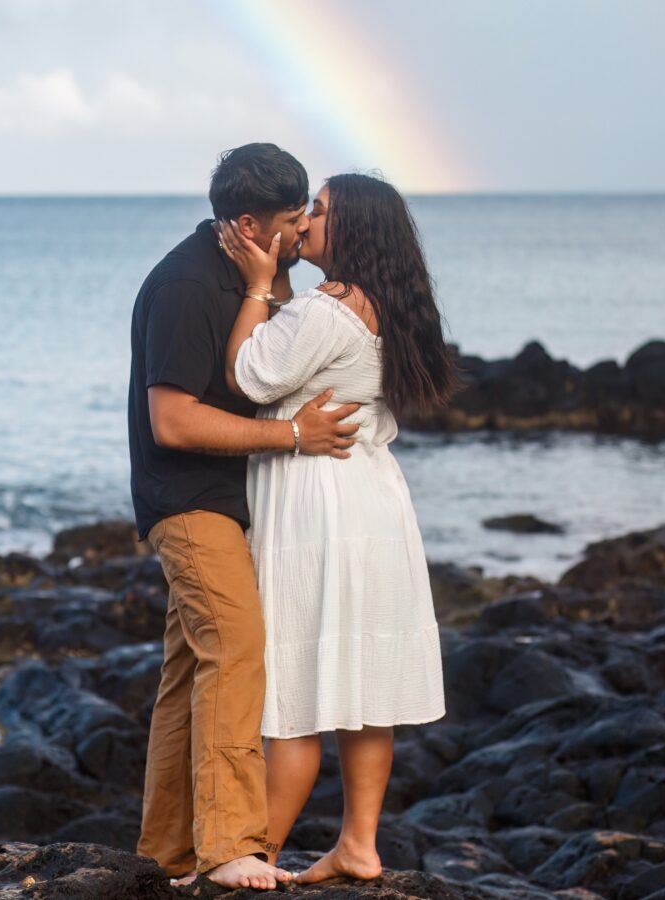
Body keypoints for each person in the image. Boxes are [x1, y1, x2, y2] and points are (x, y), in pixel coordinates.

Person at [127, 143, 364, 891]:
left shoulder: (262, 277)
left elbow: (272, 367)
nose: (303, 233)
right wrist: (294, 437)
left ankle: (165, 855)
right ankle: (231, 845)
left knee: (189, 671)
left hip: (235, 503)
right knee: (236, 648)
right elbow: (172, 421)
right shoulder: (186, 285)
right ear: (250, 223)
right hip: (189, 502)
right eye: (293, 222)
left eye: (307, 218)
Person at [214, 172, 458, 884]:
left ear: (352, 230)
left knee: (291, 690)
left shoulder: (330, 305)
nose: (306, 222)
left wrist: (259, 284)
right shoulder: (390, 305)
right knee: (360, 685)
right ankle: (358, 844)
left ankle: (256, 858)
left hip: (317, 504)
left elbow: (249, 375)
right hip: (372, 501)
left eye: (319, 211)